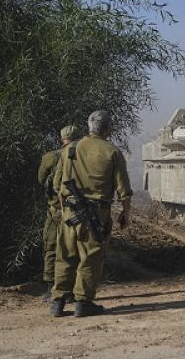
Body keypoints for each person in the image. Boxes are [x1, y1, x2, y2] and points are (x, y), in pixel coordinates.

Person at [50, 110, 132, 317]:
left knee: (65, 255)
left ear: (89, 126)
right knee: (90, 258)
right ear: (107, 128)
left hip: (70, 212)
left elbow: (57, 185)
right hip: (96, 214)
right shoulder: (112, 152)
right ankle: (83, 302)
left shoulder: (70, 149)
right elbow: (124, 190)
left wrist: (65, 207)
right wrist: (125, 213)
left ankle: (58, 302)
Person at [37, 125, 82, 302]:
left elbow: (41, 179)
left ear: (62, 138)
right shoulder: (84, 156)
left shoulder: (51, 157)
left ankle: (51, 288)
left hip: (56, 210)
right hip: (79, 211)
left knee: (51, 247)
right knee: (76, 249)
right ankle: (74, 289)